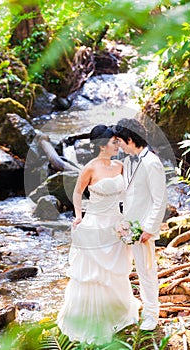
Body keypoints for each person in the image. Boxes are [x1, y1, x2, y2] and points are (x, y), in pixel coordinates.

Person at [57, 124, 140, 345]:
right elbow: (76, 192)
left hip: (115, 224)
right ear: (102, 145)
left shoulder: (121, 165)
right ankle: (92, 321)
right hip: (95, 224)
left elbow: (129, 193)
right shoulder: (90, 168)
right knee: (93, 275)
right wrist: (78, 216)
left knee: (116, 273)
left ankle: (117, 312)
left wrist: (129, 218)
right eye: (114, 141)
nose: (117, 144)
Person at [114, 118, 167, 331]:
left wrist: (148, 228)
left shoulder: (152, 162)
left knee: (147, 271)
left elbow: (159, 199)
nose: (118, 146)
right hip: (127, 227)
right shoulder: (128, 162)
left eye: (120, 141)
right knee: (122, 268)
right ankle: (126, 309)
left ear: (129, 139)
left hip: (143, 230)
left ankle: (152, 314)